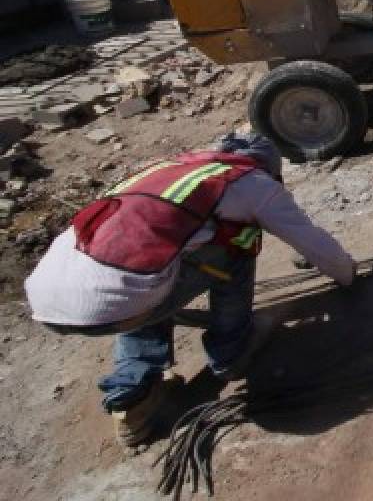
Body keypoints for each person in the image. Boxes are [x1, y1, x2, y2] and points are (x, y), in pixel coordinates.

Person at [24, 133, 355, 447]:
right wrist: (347, 274)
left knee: (153, 269)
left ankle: (131, 398)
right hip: (121, 295)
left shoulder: (169, 170)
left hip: (47, 295)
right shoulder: (250, 180)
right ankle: (231, 351)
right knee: (238, 243)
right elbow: (313, 243)